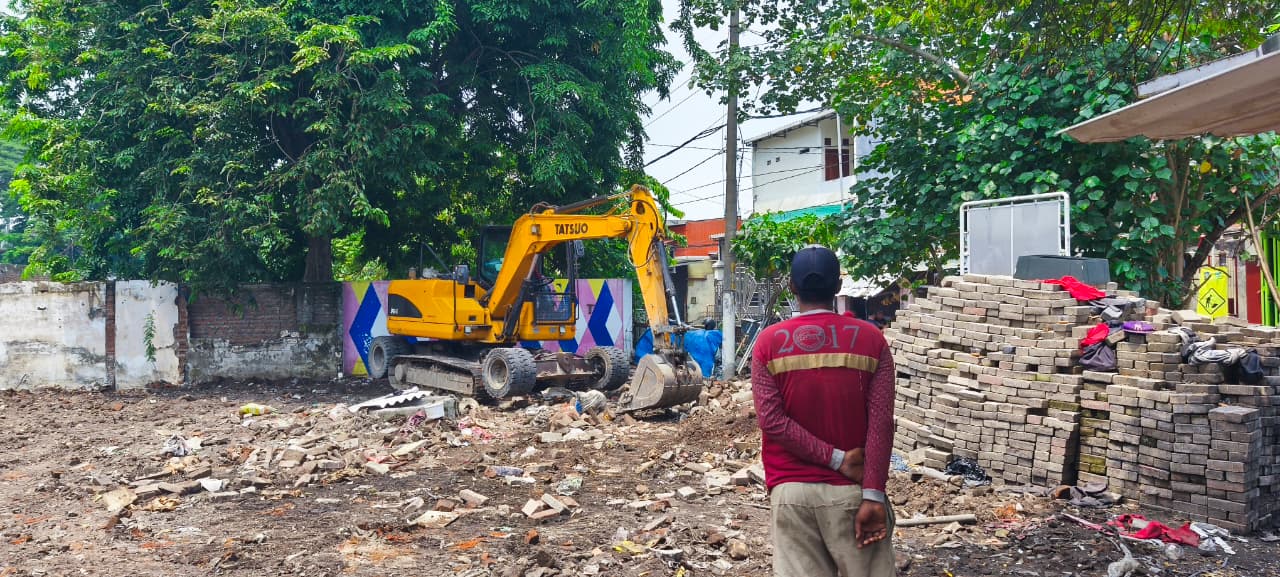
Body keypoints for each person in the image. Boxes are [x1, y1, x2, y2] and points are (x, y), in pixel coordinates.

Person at [752, 245, 896, 577]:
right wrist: (873, 492)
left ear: (792, 286)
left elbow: (772, 422)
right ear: (839, 286)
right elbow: (881, 424)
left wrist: (833, 458)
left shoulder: (768, 344)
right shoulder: (871, 340)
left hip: (791, 496)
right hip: (854, 497)